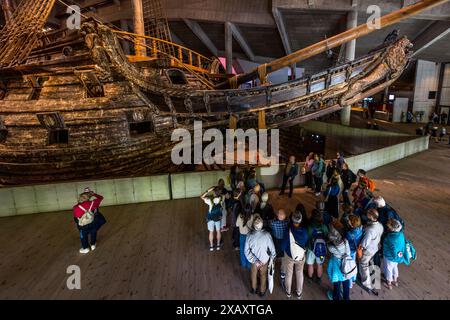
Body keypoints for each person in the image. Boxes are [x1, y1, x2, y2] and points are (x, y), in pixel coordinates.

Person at [244, 216, 277, 297]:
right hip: (264, 261)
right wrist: (273, 257)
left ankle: (253, 289)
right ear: (262, 225)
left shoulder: (249, 235)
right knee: (263, 276)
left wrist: (255, 260)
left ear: (254, 225)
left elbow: (246, 251)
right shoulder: (267, 235)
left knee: (253, 274)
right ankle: (262, 292)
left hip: (254, 262)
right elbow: (272, 249)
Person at [281, 211, 308, 299]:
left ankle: (288, 292)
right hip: (301, 256)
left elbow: (283, 246)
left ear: (292, 220)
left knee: (289, 274)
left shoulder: (288, 231)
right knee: (299, 273)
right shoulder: (304, 231)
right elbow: (306, 242)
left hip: (289, 255)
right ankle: (299, 293)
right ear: (300, 220)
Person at [358, 208, 384, 290]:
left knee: (363, 264)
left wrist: (360, 249)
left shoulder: (370, 230)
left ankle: (366, 284)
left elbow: (364, 243)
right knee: (371, 262)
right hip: (375, 247)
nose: (366, 215)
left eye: (368, 214)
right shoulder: (380, 225)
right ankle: (375, 279)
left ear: (371, 217)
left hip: (368, 250)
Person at [73, 188, 104, 254]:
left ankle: (85, 248)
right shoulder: (93, 203)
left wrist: (79, 225)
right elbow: (101, 198)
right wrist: (93, 194)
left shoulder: (75, 207)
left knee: (83, 236)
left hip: (83, 225)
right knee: (93, 231)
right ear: (88, 198)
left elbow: (76, 218)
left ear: (79, 199)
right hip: (92, 222)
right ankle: (93, 244)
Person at [382, 218, 410, 290]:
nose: (388, 228)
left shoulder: (390, 238)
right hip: (398, 257)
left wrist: (394, 256)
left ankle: (389, 283)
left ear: (392, 228)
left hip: (390, 257)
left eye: (389, 227)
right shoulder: (401, 234)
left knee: (388, 269)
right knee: (395, 267)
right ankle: (395, 281)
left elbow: (392, 249)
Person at [327, 226, 352, 300]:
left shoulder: (332, 248)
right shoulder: (345, 241)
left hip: (338, 268)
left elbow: (328, 247)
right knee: (346, 282)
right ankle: (346, 298)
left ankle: (336, 297)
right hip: (347, 266)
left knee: (337, 283)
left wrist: (328, 242)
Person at [306, 209, 329, 283]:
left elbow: (308, 238)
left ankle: (310, 278)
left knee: (310, 264)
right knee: (320, 265)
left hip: (311, 249)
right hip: (321, 251)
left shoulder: (309, 227)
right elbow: (326, 236)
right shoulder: (324, 226)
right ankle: (318, 279)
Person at [201, 187, 223, 251]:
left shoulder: (210, 200)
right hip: (218, 217)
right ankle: (218, 245)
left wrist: (208, 190)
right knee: (218, 231)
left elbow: (201, 196)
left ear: (213, 192)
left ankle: (211, 246)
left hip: (210, 218)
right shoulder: (221, 198)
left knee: (211, 232)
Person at [271, 209, 290, 282]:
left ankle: (272, 268)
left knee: (274, 254)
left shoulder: (273, 223)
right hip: (284, 241)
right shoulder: (287, 222)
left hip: (276, 240)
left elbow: (270, 222)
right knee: (283, 257)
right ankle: (283, 272)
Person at [236, 204, 255, 269]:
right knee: (250, 250)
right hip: (250, 236)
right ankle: (249, 265)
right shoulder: (252, 217)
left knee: (242, 250)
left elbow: (236, 225)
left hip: (242, 236)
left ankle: (243, 264)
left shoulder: (240, 216)